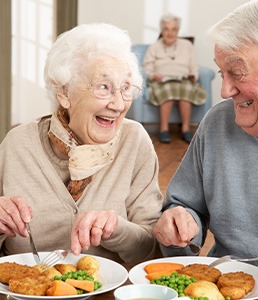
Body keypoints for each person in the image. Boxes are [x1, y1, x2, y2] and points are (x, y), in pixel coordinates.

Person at [152, 0, 258, 298]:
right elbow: (185, 204)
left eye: (237, 72)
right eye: (222, 73)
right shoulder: (218, 121)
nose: (224, 91)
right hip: (219, 290)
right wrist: (179, 222)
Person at [0, 23, 164, 264]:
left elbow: (151, 249)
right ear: (64, 93)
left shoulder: (134, 141)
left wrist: (117, 229)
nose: (118, 104)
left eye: (126, 88)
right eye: (103, 87)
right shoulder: (18, 144)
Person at [143, 13, 206, 143]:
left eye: (173, 29)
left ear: (178, 30)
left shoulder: (187, 45)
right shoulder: (154, 47)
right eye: (166, 29)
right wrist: (154, 75)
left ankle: (186, 129)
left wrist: (194, 75)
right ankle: (164, 129)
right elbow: (147, 68)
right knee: (168, 90)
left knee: (187, 89)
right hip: (162, 81)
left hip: (183, 79)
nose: (170, 33)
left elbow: (194, 65)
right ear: (162, 30)